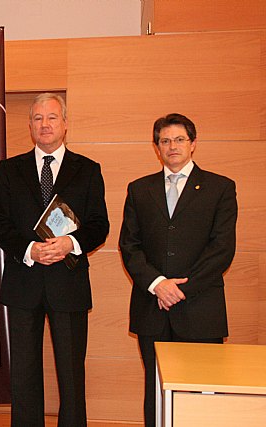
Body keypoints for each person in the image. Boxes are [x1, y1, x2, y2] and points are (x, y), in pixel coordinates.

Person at [0, 93, 109, 427]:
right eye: (38, 118)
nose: (45, 124)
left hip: (68, 284)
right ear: (30, 126)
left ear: (65, 124)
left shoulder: (87, 169)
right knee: (23, 374)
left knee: (71, 374)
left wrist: (70, 243)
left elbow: (99, 225)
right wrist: (30, 249)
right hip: (23, 282)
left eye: (52, 117)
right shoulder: (10, 169)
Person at [119, 113, 237, 427]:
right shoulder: (139, 189)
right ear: (156, 147)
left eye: (180, 139)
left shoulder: (220, 188)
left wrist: (179, 289)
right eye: (165, 141)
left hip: (200, 308)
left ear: (193, 143)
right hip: (152, 308)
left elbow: (222, 249)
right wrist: (158, 284)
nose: (172, 146)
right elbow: (129, 246)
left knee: (201, 396)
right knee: (156, 392)